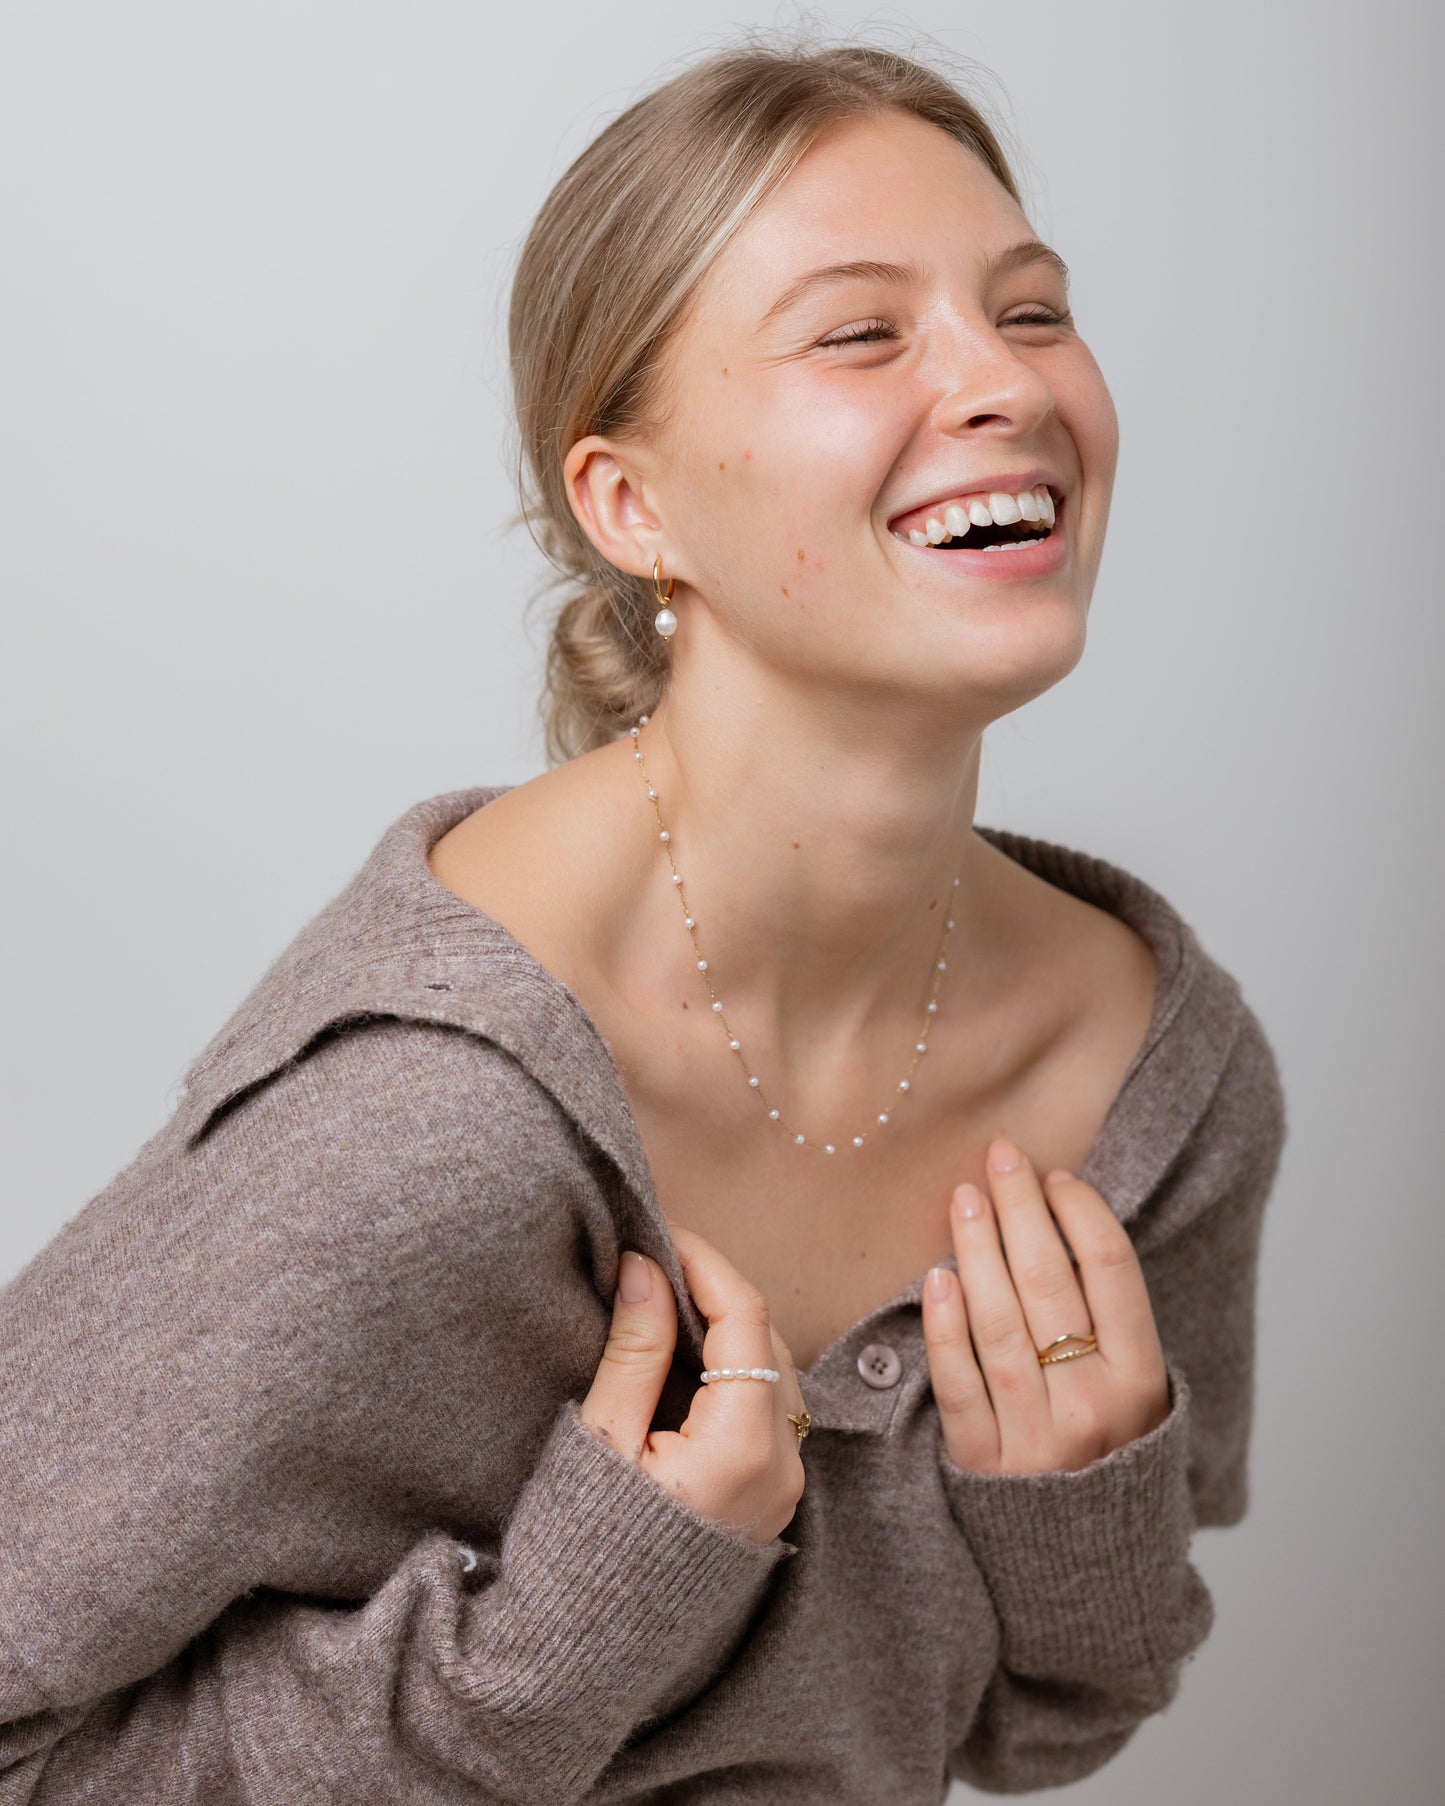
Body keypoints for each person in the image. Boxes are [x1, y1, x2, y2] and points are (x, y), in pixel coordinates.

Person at [0, 30, 1288, 1806]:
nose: (1001, 383)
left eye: (1034, 310)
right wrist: (544, 1657)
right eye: (860, 330)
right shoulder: (419, 1131)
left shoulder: (1161, 1074)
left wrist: (1081, 1528)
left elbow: (1042, 1720)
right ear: (631, 505)